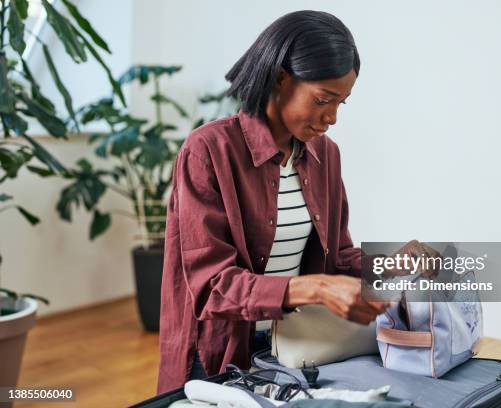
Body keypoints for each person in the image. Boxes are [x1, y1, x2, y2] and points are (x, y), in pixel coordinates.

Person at [157, 10, 435, 394]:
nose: (333, 117)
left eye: (342, 103)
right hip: (219, 355)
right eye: (323, 99)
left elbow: (336, 257)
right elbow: (211, 287)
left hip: (294, 349)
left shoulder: (326, 156)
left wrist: (390, 261)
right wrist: (317, 289)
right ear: (280, 78)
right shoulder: (208, 151)